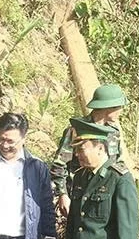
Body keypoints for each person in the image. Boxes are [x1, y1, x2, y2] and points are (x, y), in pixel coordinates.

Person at [50, 84, 129, 217]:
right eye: (119, 107)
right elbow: (59, 165)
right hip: (78, 196)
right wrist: (63, 194)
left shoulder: (114, 132)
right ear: (108, 108)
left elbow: (118, 164)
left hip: (104, 199)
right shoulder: (76, 130)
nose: (121, 111)